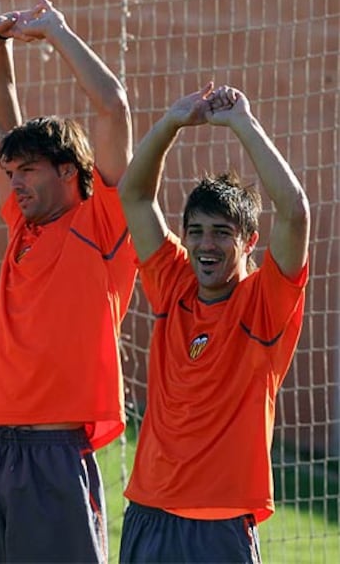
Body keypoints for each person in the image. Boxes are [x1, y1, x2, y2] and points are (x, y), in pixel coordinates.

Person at [0, 0, 136, 564]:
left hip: (52, 452)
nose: (15, 182)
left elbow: (114, 109)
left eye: (27, 170)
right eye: (11, 173)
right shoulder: (21, 229)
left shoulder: (101, 222)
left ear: (69, 172)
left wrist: (57, 31)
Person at [118, 82, 310, 563]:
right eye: (197, 231)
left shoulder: (263, 304)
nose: (206, 245)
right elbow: (136, 196)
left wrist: (243, 123)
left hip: (219, 525)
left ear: (248, 240)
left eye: (222, 233)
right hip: (149, 513)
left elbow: (295, 212)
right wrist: (169, 125)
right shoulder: (173, 284)